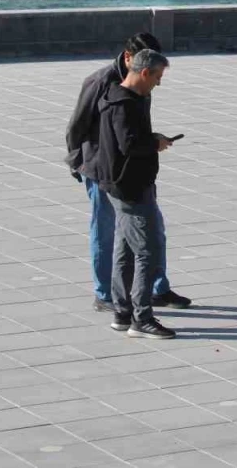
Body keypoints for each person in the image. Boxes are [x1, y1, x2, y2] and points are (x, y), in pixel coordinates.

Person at [65, 34, 190, 313]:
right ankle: (105, 295)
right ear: (128, 57)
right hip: (101, 169)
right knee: (106, 231)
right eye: (152, 70)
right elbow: (76, 126)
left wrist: (151, 140)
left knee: (150, 230)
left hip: (132, 171)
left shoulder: (143, 80)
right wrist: (77, 162)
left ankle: (157, 289)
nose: (157, 81)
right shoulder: (100, 82)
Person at [84, 50, 178, 339]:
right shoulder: (125, 105)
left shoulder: (113, 96)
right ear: (144, 72)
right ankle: (142, 318)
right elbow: (129, 145)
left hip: (118, 185)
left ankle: (122, 313)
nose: (158, 83)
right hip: (131, 188)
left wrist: (151, 139)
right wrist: (155, 143)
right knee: (148, 251)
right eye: (157, 77)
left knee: (125, 250)